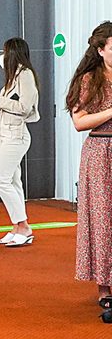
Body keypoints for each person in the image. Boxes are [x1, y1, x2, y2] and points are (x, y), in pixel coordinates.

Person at [66, 21, 112, 310]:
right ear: (100, 50)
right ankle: (104, 288)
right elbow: (79, 122)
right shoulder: (89, 80)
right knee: (102, 218)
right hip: (100, 153)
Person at [0, 37, 40, 246]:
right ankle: (17, 227)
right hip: (5, 133)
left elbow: (24, 107)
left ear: (12, 54)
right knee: (13, 181)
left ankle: (23, 226)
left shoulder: (25, 75)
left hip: (16, 135)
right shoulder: (13, 77)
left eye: (5, 52)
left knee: (0, 181)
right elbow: (9, 105)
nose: (2, 56)